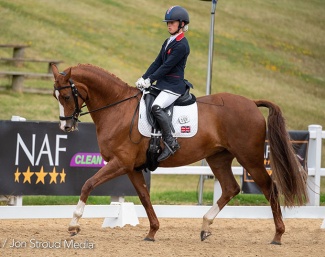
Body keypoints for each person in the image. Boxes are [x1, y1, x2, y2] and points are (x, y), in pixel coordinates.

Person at [136, 5, 191, 162]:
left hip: (173, 86)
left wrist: (150, 80)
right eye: (167, 22)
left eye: (172, 22)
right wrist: (144, 77)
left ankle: (171, 142)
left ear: (181, 24)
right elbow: (157, 62)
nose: (169, 25)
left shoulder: (182, 44)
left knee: (156, 107)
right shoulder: (168, 41)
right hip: (162, 83)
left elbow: (167, 67)